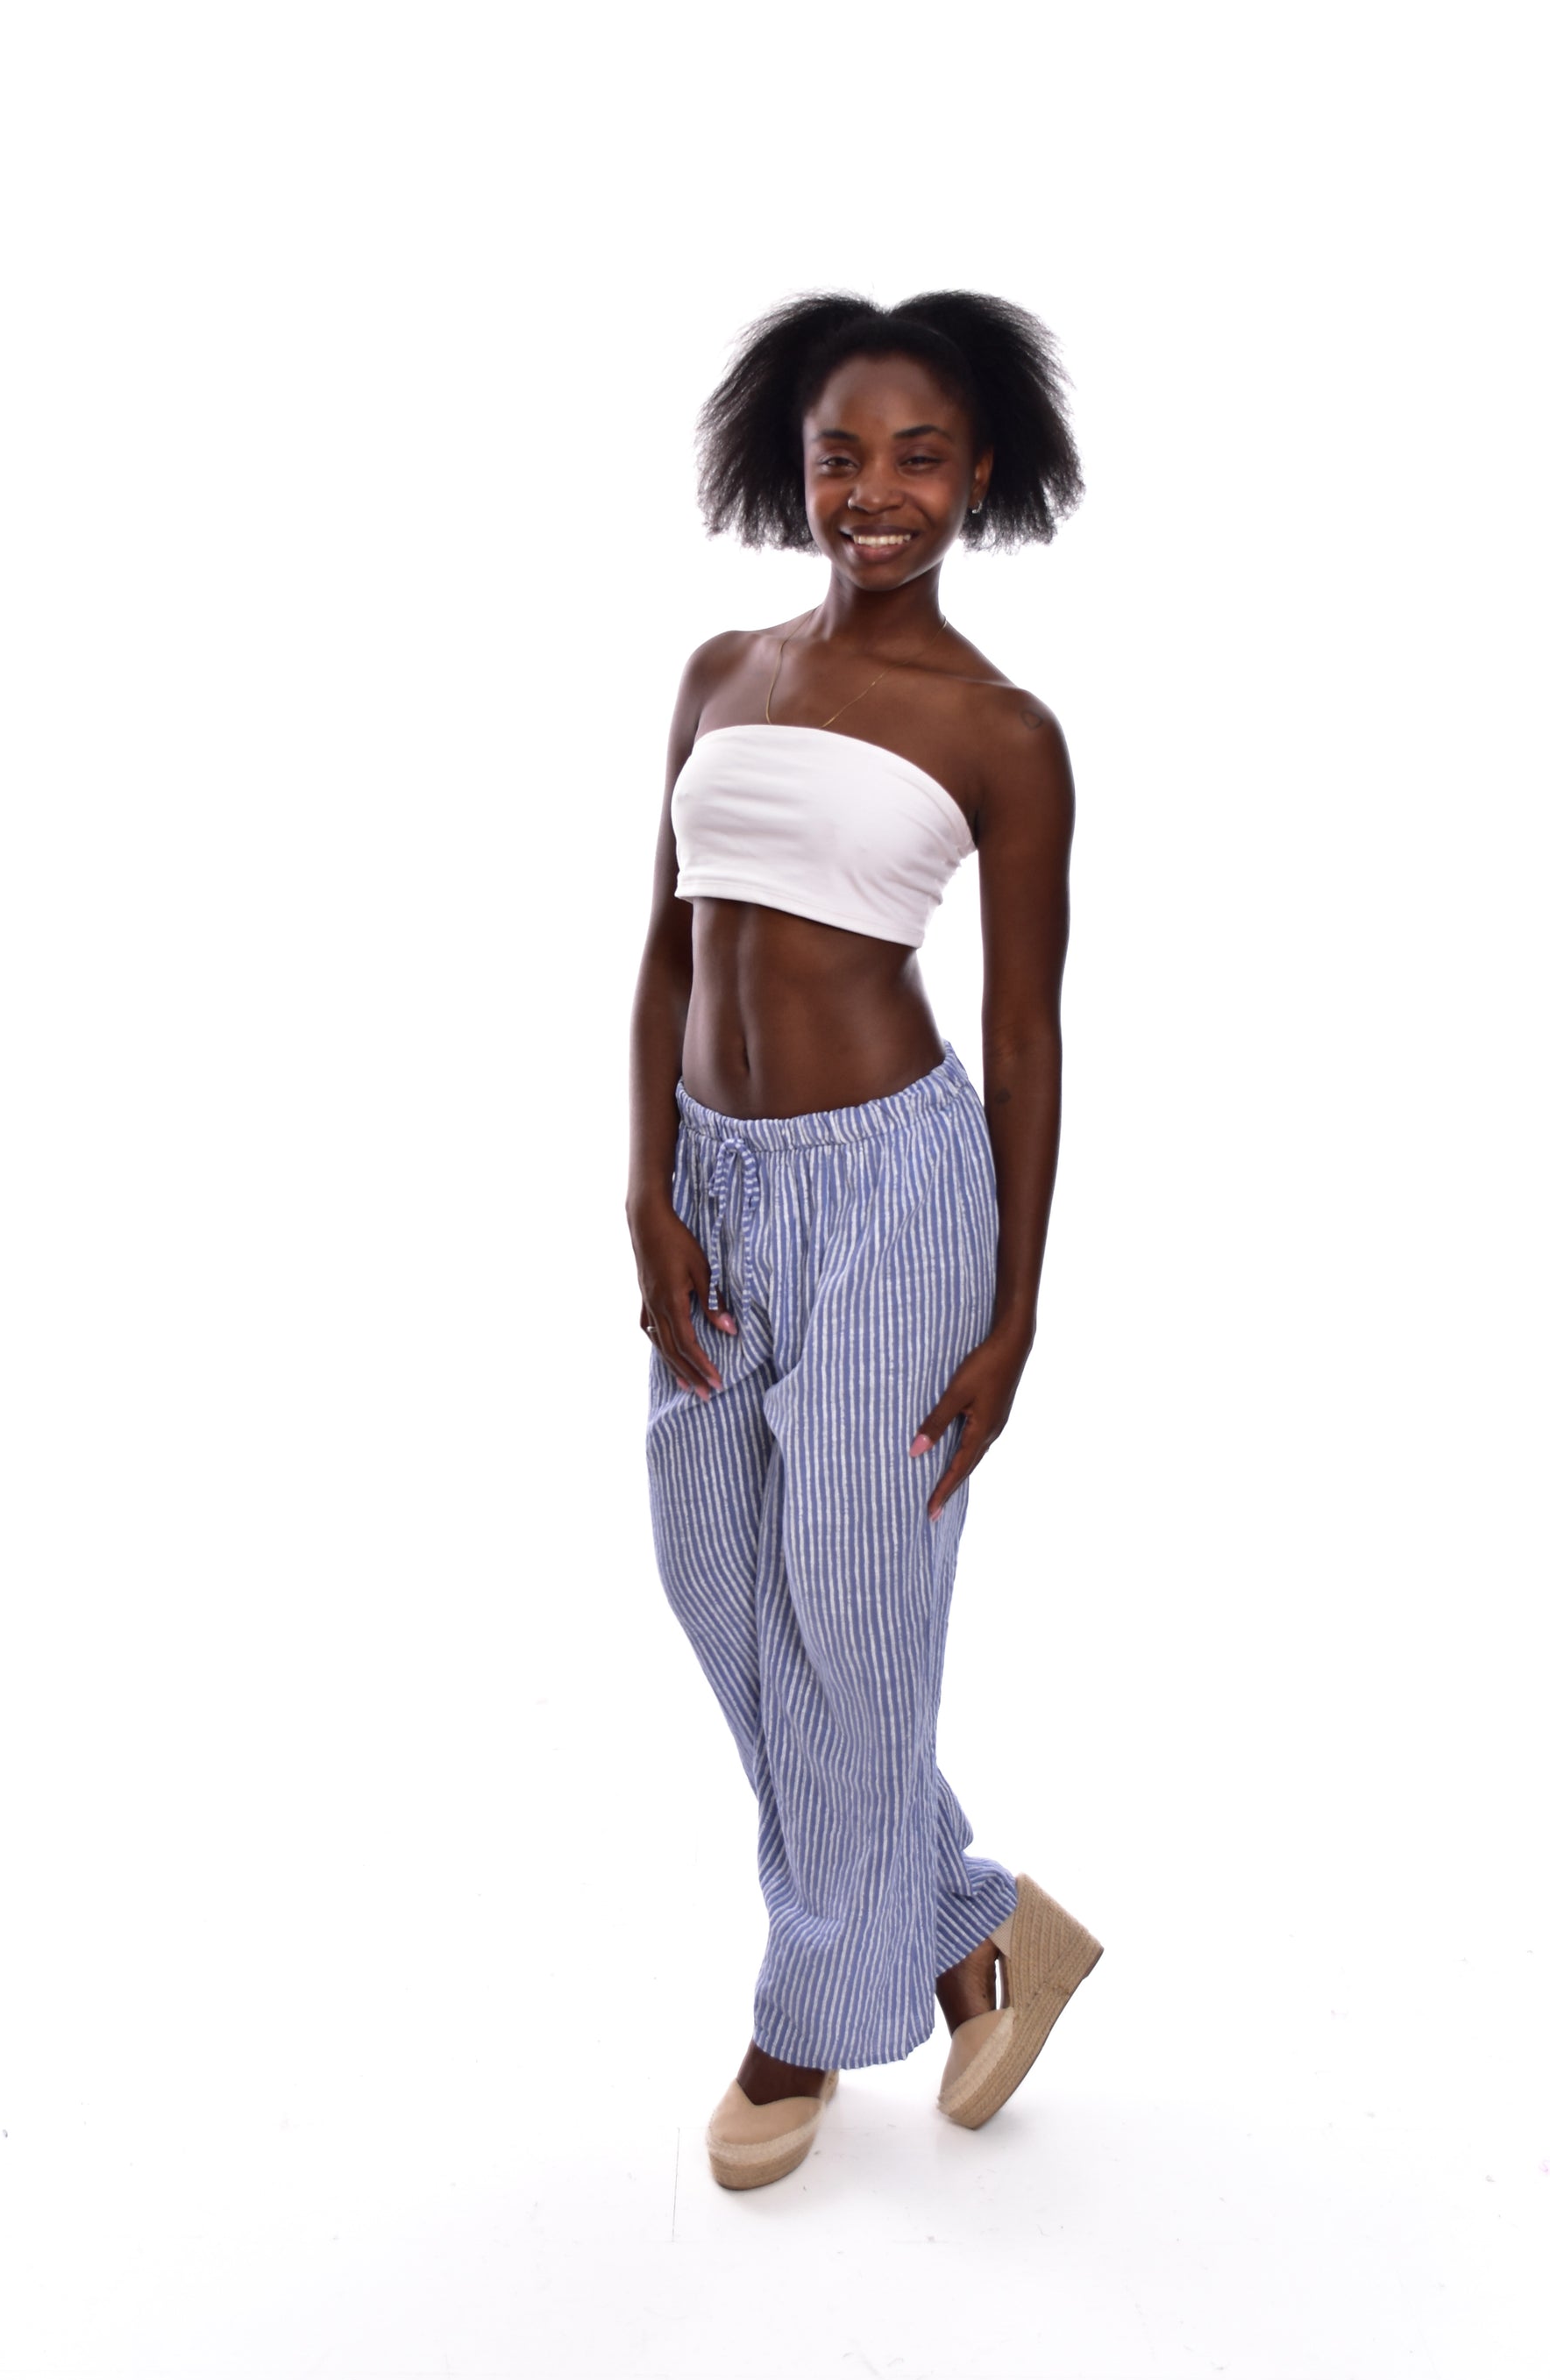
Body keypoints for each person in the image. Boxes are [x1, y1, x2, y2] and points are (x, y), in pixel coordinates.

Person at [627, 289, 1103, 2192]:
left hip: (897, 1196)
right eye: (842, 457)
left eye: (918, 457)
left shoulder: (1000, 731)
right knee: (721, 1584)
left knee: (852, 1608)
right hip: (716, 1183)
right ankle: (971, 1925)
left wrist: (1014, 1312)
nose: (875, 493)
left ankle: (801, 2021)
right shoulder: (719, 671)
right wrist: (646, 1191)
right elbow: (664, 949)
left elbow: (1025, 1034)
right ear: (794, 467)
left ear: (980, 474)